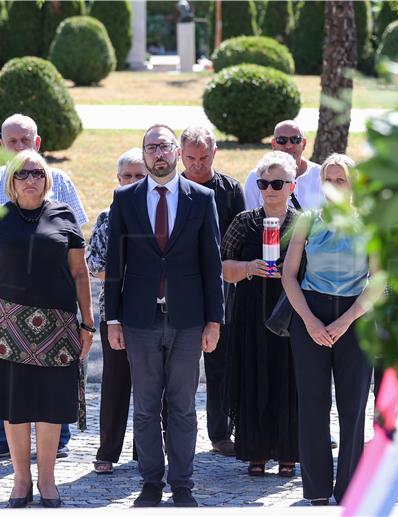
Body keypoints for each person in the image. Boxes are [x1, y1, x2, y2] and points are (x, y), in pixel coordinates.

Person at [104, 124, 224, 508]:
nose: (158, 154)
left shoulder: (201, 199)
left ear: (176, 152)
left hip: (188, 320)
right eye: (151, 147)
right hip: (139, 320)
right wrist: (113, 319)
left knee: (183, 406)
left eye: (164, 147)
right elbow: (114, 265)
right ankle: (151, 482)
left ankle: (182, 483)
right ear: (144, 155)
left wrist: (214, 320)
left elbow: (212, 263)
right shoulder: (125, 200)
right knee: (145, 405)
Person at [0, 149, 94, 508]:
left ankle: (48, 480)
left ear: (47, 179)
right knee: (16, 406)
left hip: (57, 327)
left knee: (51, 406)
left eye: (37, 173)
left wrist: (87, 322)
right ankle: (21, 480)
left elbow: (79, 272)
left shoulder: (64, 215)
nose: (30, 180)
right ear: (11, 180)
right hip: (6, 328)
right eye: (23, 174)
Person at [281, 153, 381, 506]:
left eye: (342, 180)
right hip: (310, 313)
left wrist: (345, 320)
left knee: (353, 407)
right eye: (329, 180)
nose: (335, 186)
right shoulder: (307, 220)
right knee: (312, 404)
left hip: (356, 317)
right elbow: (288, 276)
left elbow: (378, 280)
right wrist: (309, 320)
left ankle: (349, 487)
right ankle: (317, 490)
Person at [222, 151, 300, 477]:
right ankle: (255, 451)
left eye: (277, 183)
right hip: (251, 310)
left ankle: (288, 453)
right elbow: (224, 267)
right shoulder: (245, 222)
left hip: (292, 311)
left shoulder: (305, 223)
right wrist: (250, 267)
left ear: (292, 186)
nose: (270, 189)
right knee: (253, 375)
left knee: (290, 379)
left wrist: (290, 273)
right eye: (264, 183)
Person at [179, 125, 245, 456]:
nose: (197, 165)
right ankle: (173, 433)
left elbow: (242, 241)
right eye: (190, 158)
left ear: (215, 153)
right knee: (178, 368)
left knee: (221, 364)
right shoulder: (170, 189)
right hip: (180, 289)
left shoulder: (231, 190)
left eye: (204, 157)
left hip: (222, 289)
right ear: (180, 155)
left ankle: (221, 432)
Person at [87, 148, 148, 474]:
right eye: (127, 176)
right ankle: (107, 452)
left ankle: (146, 452)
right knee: (115, 383)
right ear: (117, 179)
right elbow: (94, 265)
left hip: (152, 313)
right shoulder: (108, 218)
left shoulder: (158, 214)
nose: (133, 181)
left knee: (151, 385)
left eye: (140, 176)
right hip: (114, 314)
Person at [244, 120, 324, 211]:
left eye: (295, 139)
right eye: (282, 140)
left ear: (304, 144)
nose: (289, 146)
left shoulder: (322, 175)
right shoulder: (256, 177)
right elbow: (249, 218)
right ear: (274, 144)